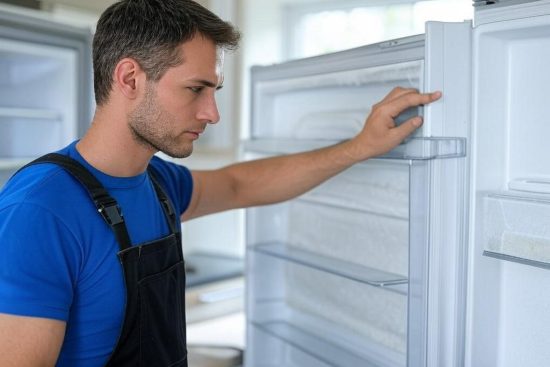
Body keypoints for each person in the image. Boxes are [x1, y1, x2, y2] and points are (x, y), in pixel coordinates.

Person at [0, 0, 441, 366]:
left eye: (215, 91)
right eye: (196, 89)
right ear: (130, 78)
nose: (213, 114)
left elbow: (239, 185)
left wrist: (360, 147)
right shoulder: (41, 211)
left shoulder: (156, 182)